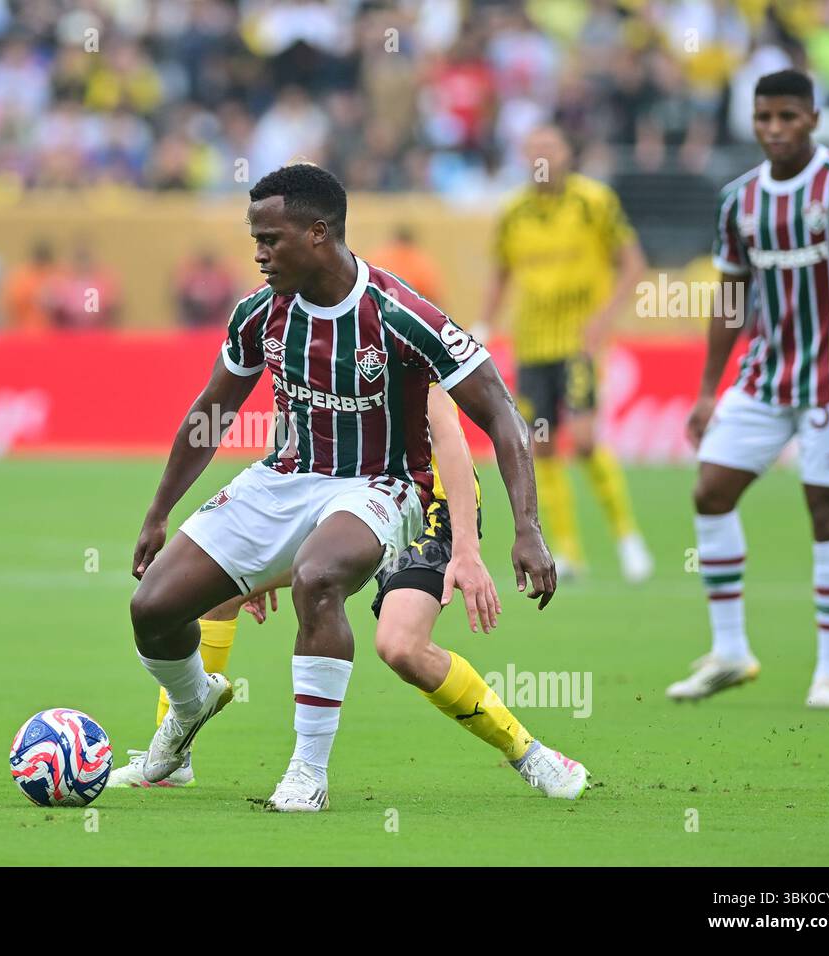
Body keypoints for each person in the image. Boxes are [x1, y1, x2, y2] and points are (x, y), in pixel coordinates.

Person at [124, 163, 557, 812]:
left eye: (271, 239)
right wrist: (159, 513)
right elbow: (208, 413)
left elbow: (500, 414)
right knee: (153, 609)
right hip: (285, 478)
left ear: (318, 234)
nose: (260, 253)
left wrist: (527, 528)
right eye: (255, 239)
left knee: (318, 576)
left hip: (382, 484)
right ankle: (189, 711)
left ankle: (308, 775)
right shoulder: (259, 316)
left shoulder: (404, 316)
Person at [109, 384, 588, 800]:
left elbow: (450, 439)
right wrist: (259, 551)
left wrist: (467, 546)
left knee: (402, 647)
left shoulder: (391, 323)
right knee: (218, 593)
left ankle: (528, 753)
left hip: (420, 501)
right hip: (335, 496)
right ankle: (174, 755)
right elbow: (295, 435)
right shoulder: (299, 327)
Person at [670, 69, 829, 709]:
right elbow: (732, 297)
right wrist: (710, 388)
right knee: (710, 491)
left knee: (827, 511)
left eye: (787, 117)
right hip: (766, 377)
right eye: (764, 117)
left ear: (814, 119)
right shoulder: (739, 199)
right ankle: (732, 652)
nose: (774, 129)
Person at [480, 123, 653, 583]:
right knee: (541, 444)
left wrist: (604, 319)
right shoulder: (513, 213)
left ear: (567, 154)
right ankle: (569, 550)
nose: (541, 159)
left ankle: (626, 536)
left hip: (578, 345)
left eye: (549, 149)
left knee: (585, 438)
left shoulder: (595, 203)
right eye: (533, 150)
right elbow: (500, 273)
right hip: (532, 346)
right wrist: (482, 325)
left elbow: (633, 263)